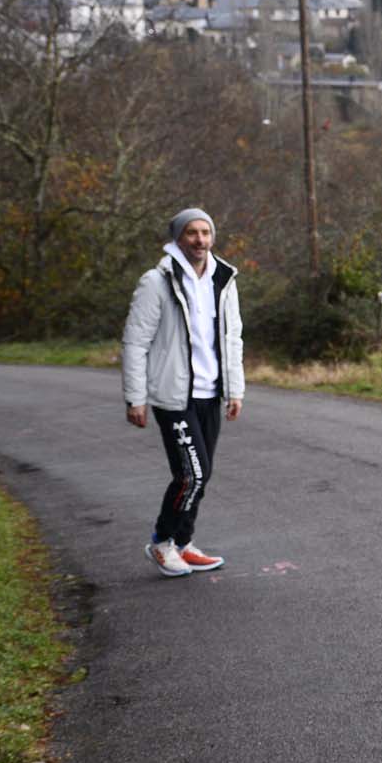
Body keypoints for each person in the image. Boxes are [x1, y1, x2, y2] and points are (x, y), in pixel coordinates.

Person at [121, 207, 245, 578]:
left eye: (206, 232)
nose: (200, 240)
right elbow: (135, 341)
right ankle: (161, 542)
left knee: (199, 475)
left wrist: (235, 388)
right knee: (193, 474)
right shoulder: (155, 282)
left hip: (211, 392)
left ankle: (183, 543)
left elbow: (232, 337)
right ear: (178, 237)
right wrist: (135, 396)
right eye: (192, 232)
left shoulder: (224, 279)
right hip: (173, 394)